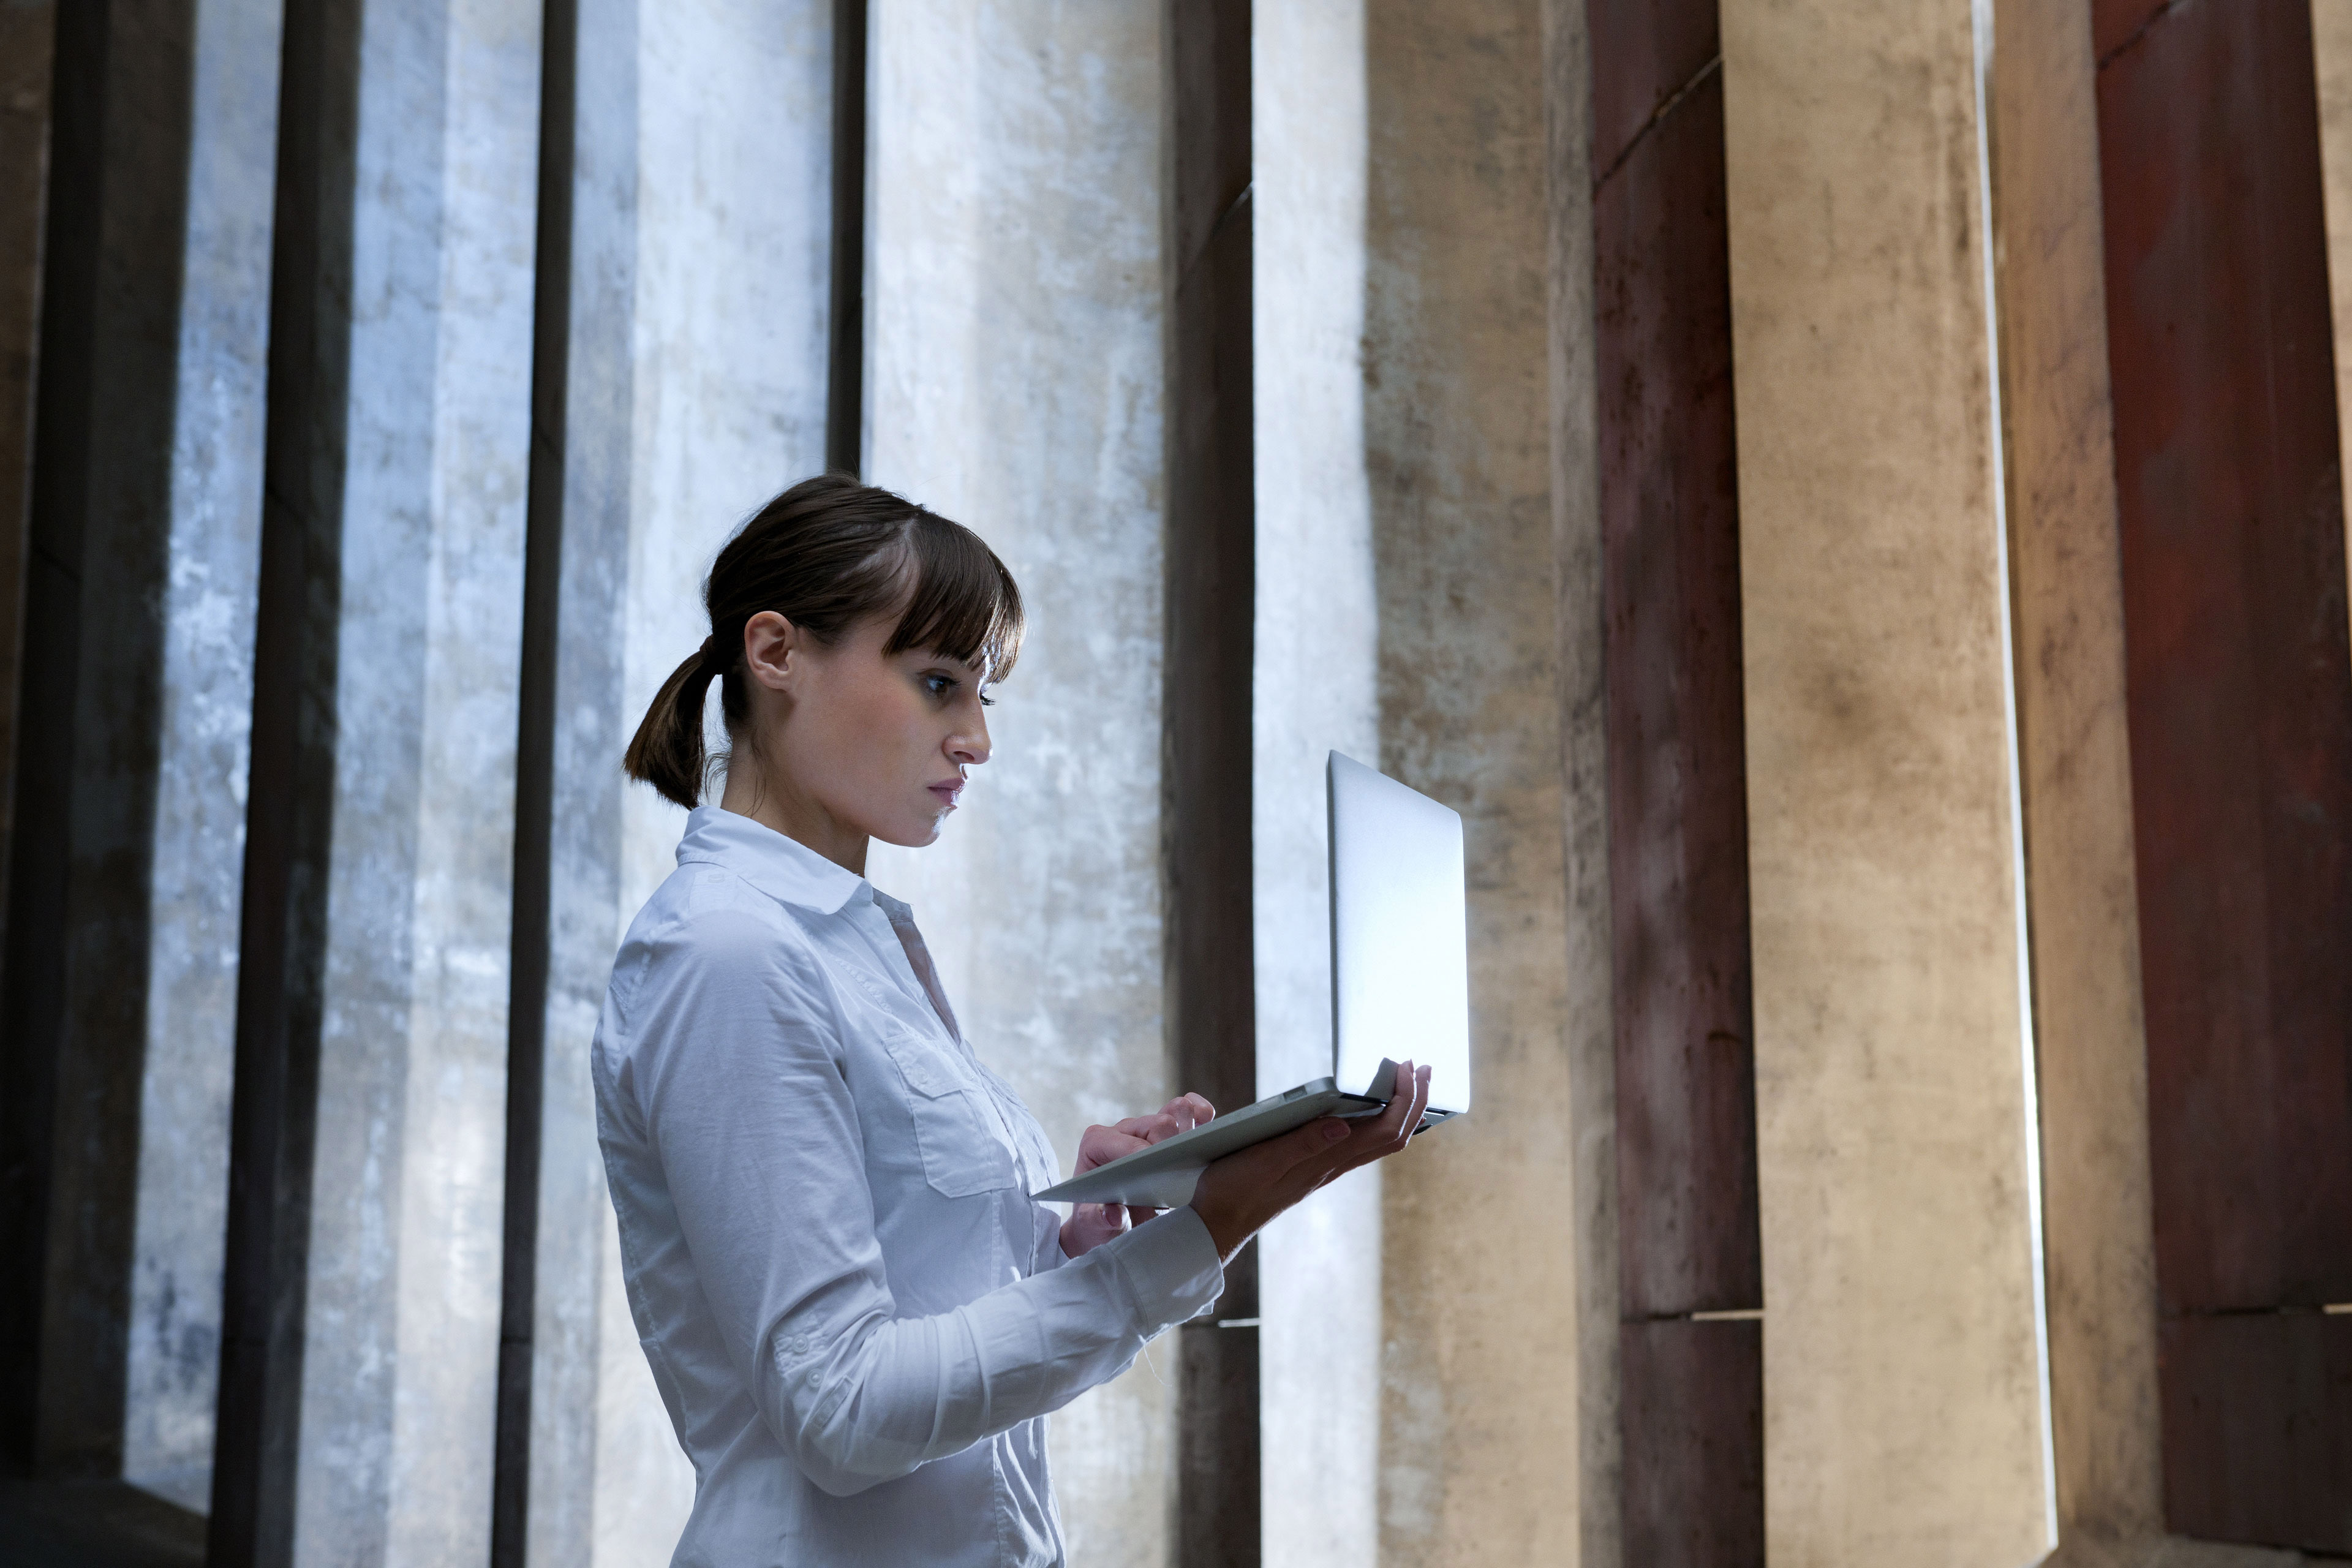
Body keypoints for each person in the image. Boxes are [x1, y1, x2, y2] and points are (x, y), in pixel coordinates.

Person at [595, 474, 1431, 1567]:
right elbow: (839, 1409)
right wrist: (1200, 1236)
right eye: (940, 682)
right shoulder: (729, 954)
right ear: (776, 652)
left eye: (984, 694)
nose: (977, 739)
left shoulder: (851, 941)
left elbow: (916, 1297)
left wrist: (1068, 1242)